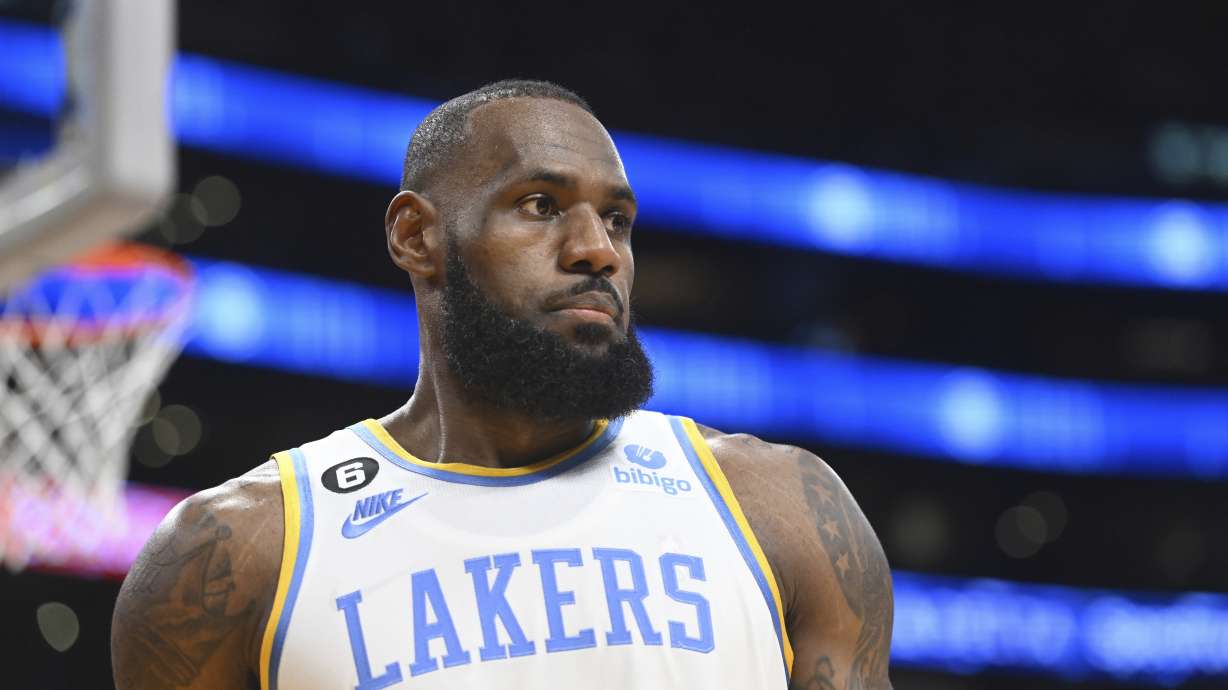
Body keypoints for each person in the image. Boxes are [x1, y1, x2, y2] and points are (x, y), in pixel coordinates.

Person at [111, 80, 894, 690]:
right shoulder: (242, 555)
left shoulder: (781, 508)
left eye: (617, 219)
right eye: (540, 205)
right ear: (416, 236)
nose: (598, 251)